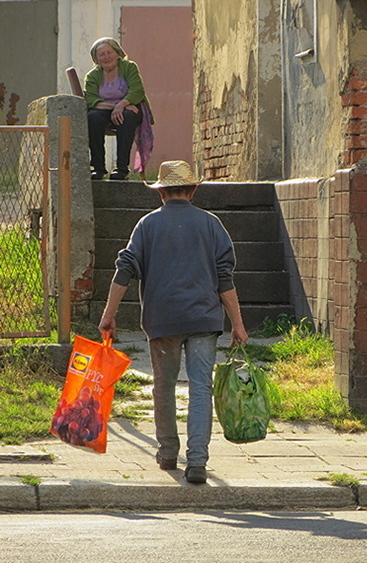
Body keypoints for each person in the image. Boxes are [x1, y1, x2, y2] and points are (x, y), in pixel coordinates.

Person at [98, 160, 248, 484]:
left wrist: (108, 315)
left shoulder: (146, 225)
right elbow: (225, 278)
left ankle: (167, 453)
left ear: (161, 191)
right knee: (200, 388)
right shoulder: (211, 224)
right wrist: (238, 323)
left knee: (163, 386)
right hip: (204, 318)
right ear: (193, 190)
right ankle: (197, 462)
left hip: (162, 320)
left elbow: (124, 269)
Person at [84, 37, 154, 181]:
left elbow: (137, 90)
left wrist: (122, 105)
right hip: (104, 108)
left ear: (117, 53)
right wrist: (115, 107)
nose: (106, 57)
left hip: (131, 106)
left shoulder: (129, 67)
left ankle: (121, 169)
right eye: (101, 55)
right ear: (96, 59)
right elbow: (90, 99)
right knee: (93, 117)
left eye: (109, 52)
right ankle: (98, 168)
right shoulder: (92, 76)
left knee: (127, 117)